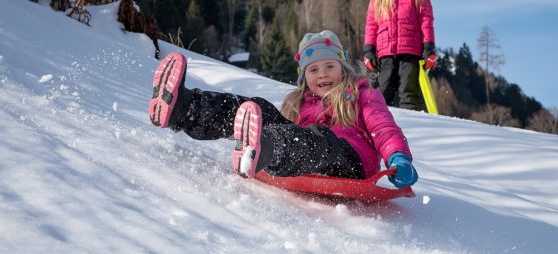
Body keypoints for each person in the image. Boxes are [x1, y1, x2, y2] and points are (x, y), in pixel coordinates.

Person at [147, 30, 418, 188]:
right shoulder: (300, 102)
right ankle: (185, 108)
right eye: (314, 70)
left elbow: (383, 127)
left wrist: (398, 157)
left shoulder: (361, 93)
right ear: (304, 75)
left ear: (343, 68)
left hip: (351, 161)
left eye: (330, 67)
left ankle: (263, 148)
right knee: (258, 108)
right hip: (308, 152)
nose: (322, 75)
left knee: (320, 140)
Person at [363, 0, 436, 112]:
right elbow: (372, 23)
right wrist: (369, 50)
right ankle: (380, 122)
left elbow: (426, 20)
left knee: (408, 90)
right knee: (384, 91)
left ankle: (410, 123)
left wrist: (429, 48)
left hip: (410, 51)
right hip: (386, 52)